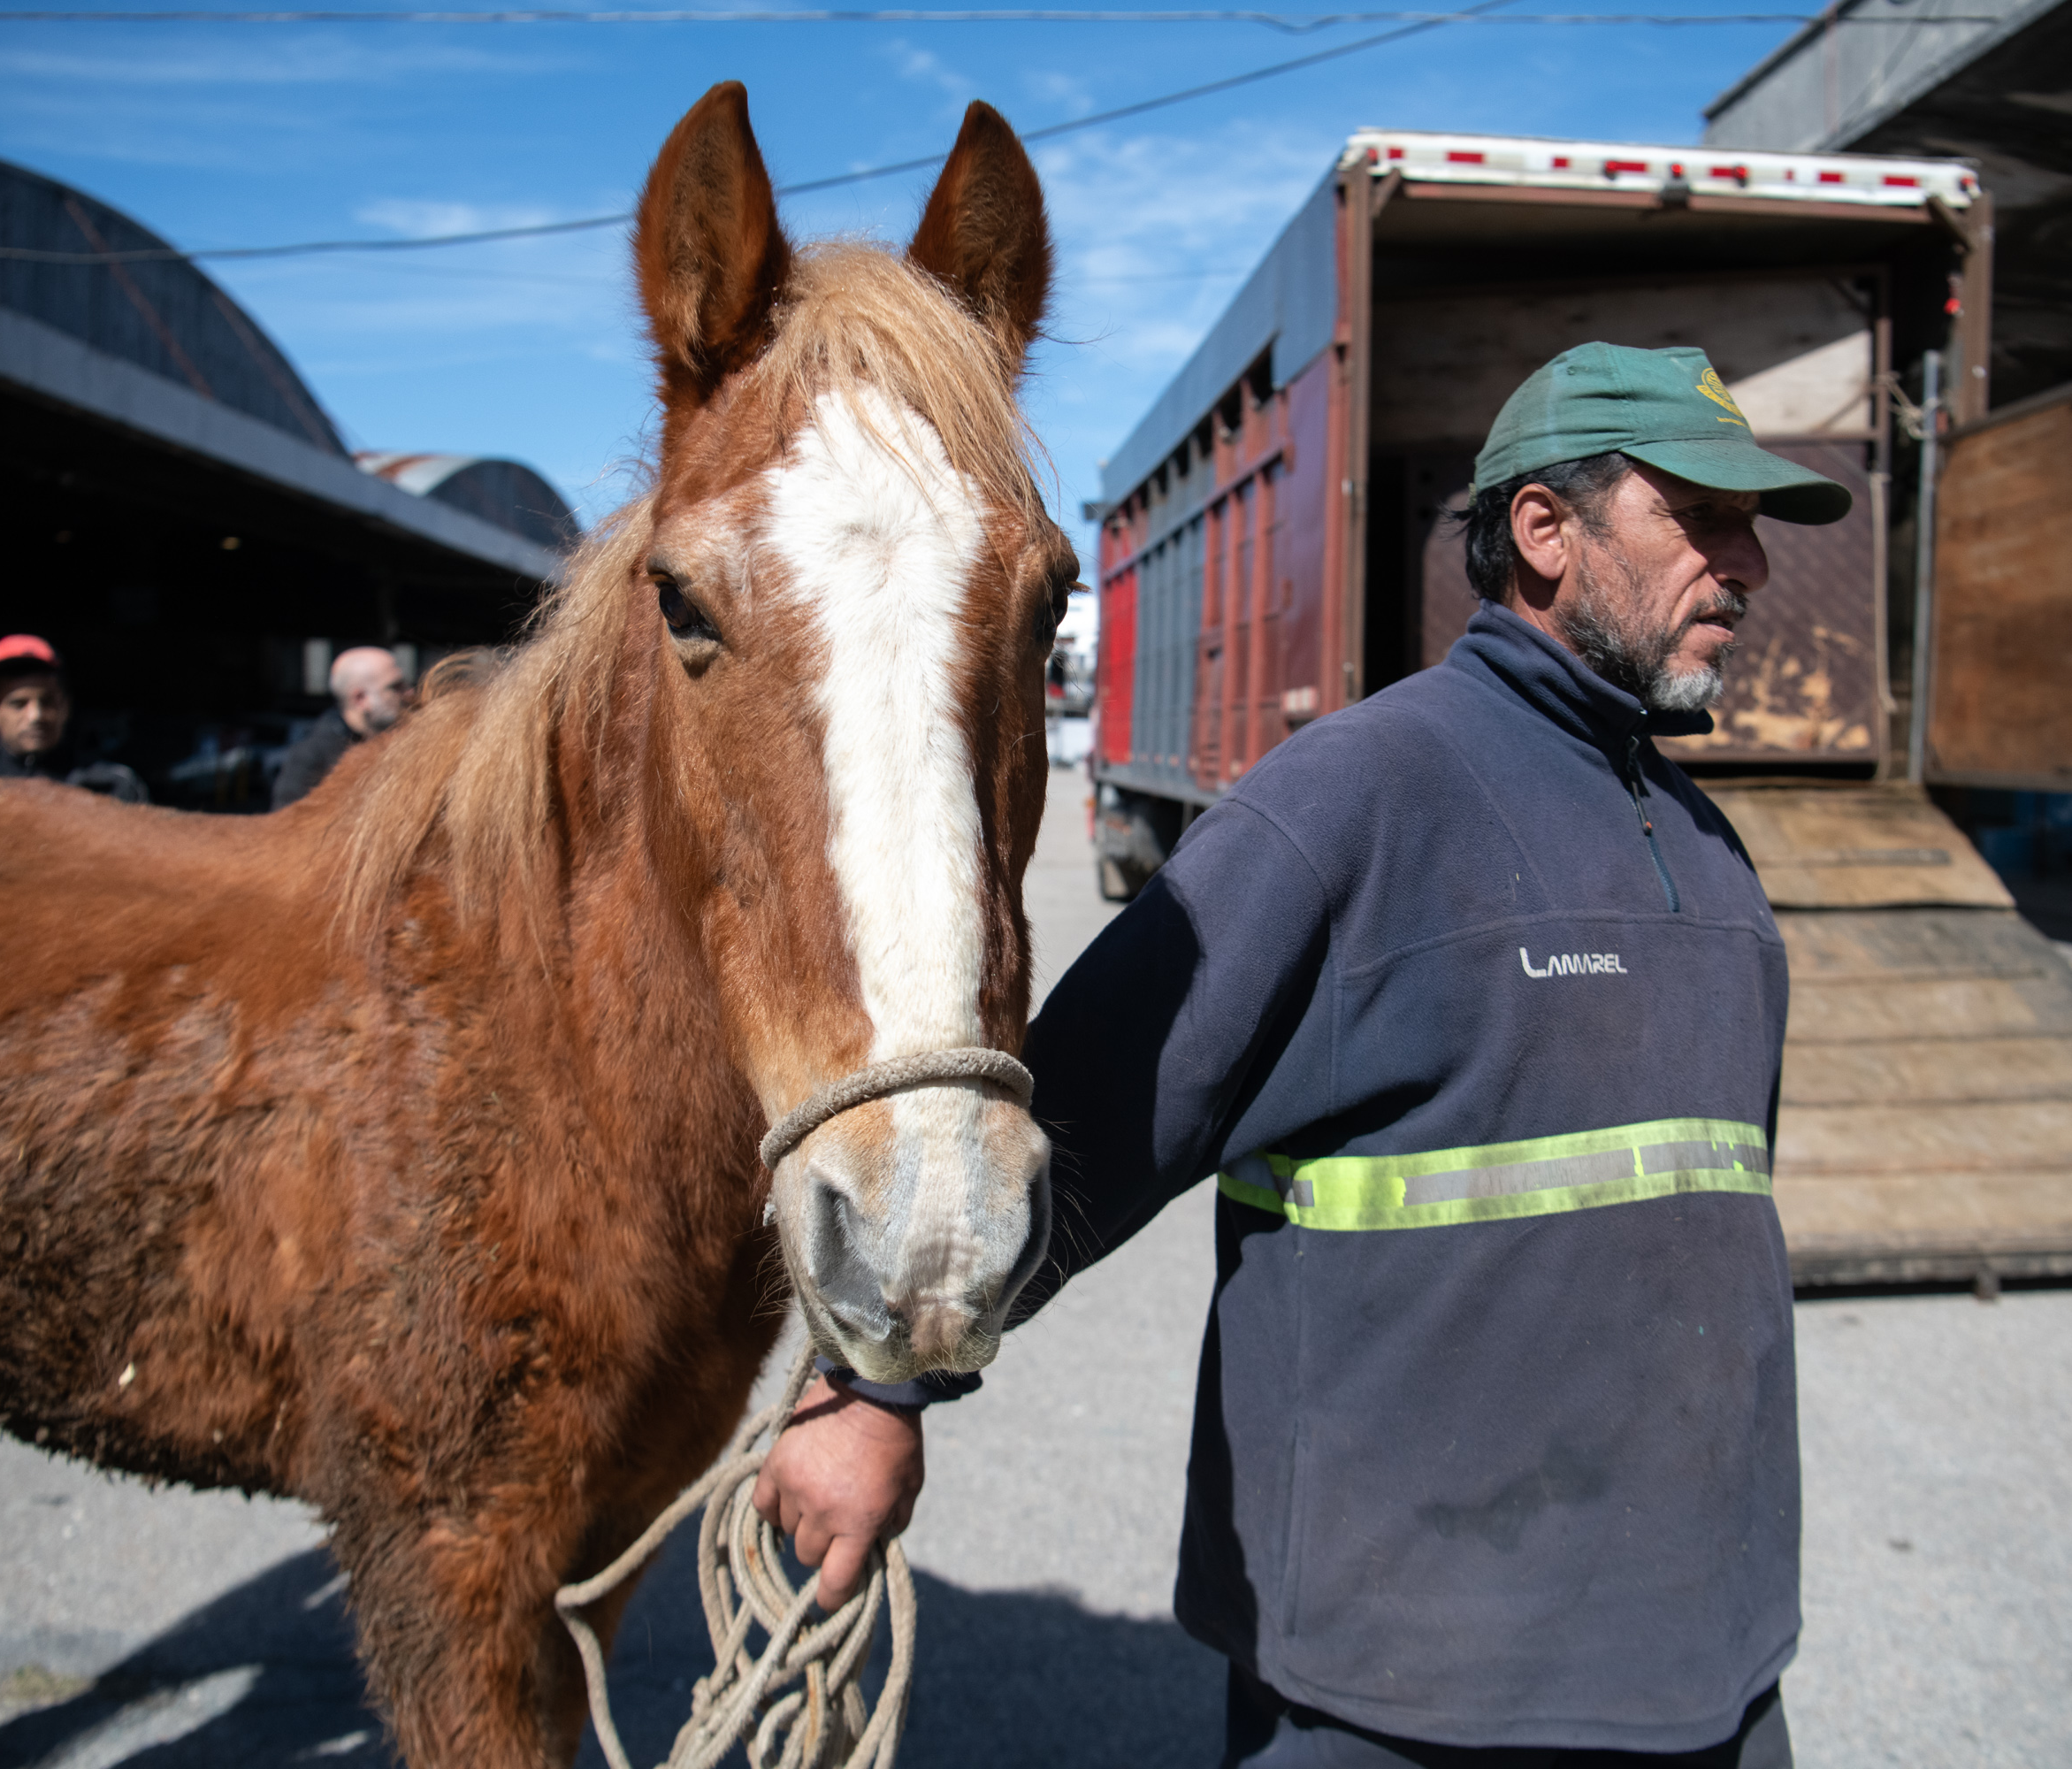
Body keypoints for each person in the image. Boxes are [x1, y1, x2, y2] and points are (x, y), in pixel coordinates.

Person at [758, 344, 1853, 1766]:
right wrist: (875, 1390)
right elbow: (1095, 1099)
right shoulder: (1360, 798)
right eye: (1702, 518)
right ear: (1545, 533)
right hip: (1408, 1682)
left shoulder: (1704, 847)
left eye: (1752, 526)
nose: (1749, 563)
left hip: (1713, 1658)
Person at [0, 633, 148, 804]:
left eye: (47, 702)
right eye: (19, 704)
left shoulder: (113, 786)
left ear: (65, 707)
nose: (36, 716)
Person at [272, 646, 409, 808]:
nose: (409, 693)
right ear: (360, 698)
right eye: (395, 687)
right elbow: (288, 827)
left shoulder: (398, 742)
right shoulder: (312, 760)